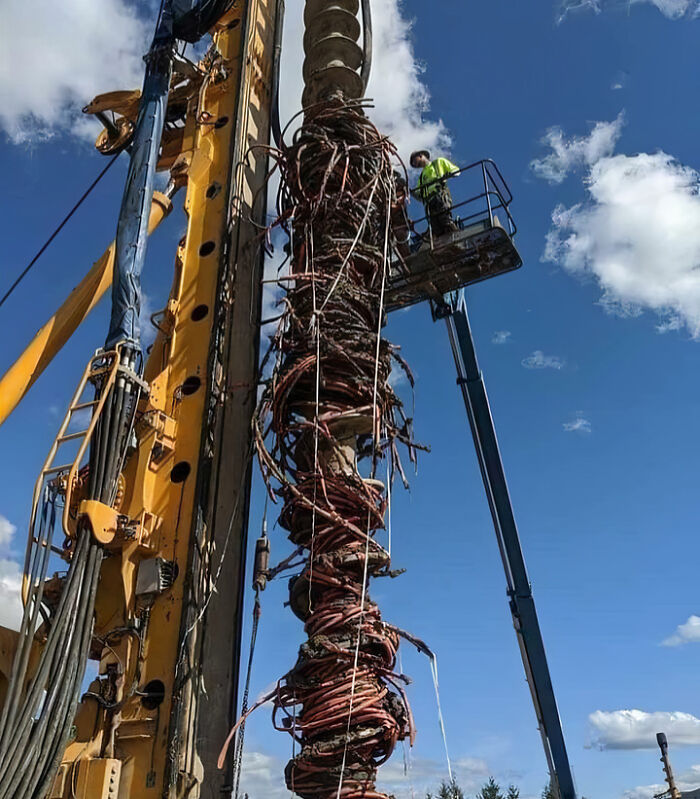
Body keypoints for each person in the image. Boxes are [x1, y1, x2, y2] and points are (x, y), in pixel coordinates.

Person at [409, 150, 459, 237]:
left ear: (421, 155)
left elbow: (456, 171)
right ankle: (445, 245)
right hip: (430, 203)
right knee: (436, 228)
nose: (415, 164)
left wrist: (448, 175)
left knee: (445, 220)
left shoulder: (438, 163)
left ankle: (457, 239)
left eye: (414, 161)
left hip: (440, 197)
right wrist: (410, 192)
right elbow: (420, 196)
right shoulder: (421, 178)